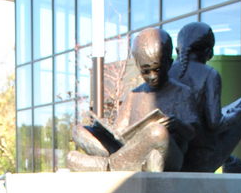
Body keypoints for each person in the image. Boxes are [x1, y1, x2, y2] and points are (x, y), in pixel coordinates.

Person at [67, 27, 200, 172]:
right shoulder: (133, 95)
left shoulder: (182, 92)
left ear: (169, 62)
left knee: (158, 134)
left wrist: (178, 125)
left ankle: (108, 166)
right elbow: (119, 133)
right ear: (137, 66)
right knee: (79, 131)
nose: (152, 76)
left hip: (165, 153)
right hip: (129, 152)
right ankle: (122, 163)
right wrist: (108, 130)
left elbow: (194, 133)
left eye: (157, 69)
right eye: (145, 71)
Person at [170, 22, 241, 174]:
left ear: (177, 49)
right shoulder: (209, 74)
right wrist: (235, 115)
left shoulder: (165, 74)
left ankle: (232, 162)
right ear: (208, 52)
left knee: (203, 126)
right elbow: (214, 124)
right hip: (200, 162)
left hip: (174, 159)